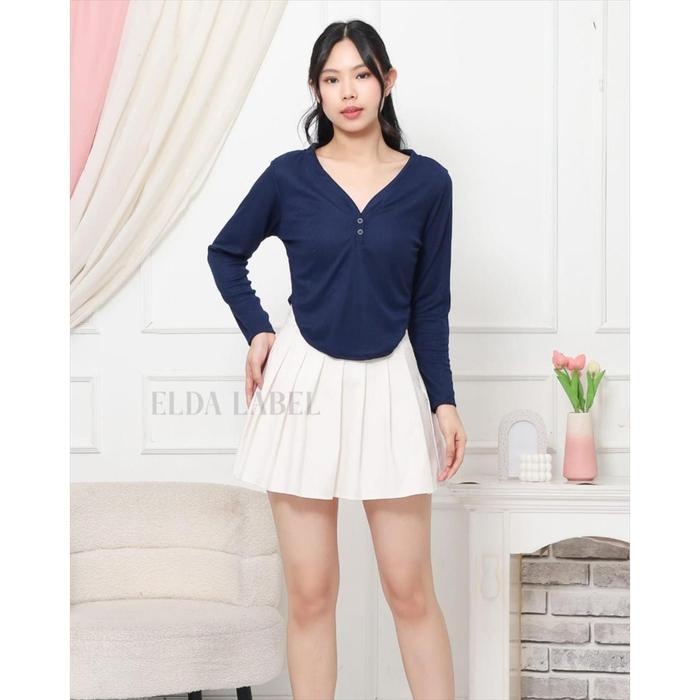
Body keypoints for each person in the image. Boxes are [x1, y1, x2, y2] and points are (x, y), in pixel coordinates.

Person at [207, 19, 467, 700]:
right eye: (332, 78)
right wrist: (257, 330)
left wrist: (443, 400)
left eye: (361, 75)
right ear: (316, 90)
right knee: (312, 594)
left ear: (387, 81)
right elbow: (225, 253)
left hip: (390, 387)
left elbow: (430, 307)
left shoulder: (429, 185)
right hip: (302, 385)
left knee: (410, 591)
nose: (348, 92)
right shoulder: (288, 177)